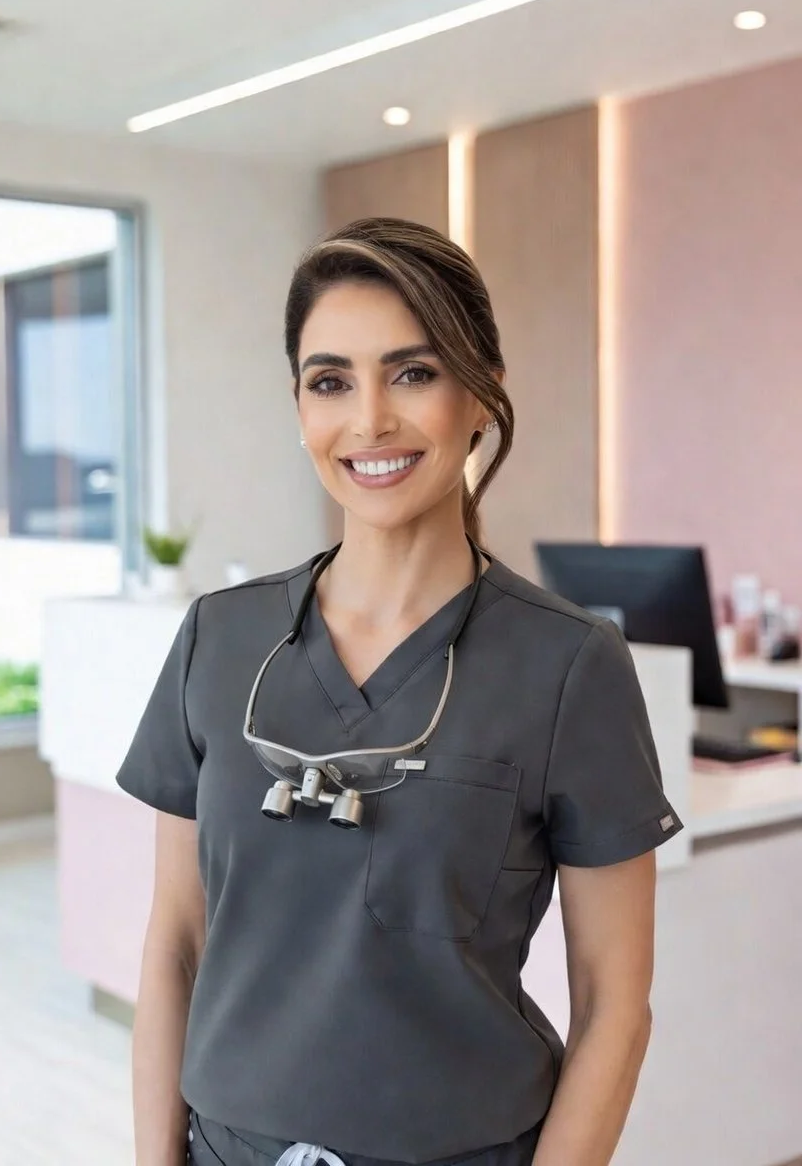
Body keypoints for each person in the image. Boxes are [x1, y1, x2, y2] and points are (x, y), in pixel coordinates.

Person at [116, 217, 683, 1166]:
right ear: (300, 407)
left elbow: (614, 1007)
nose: (370, 420)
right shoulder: (220, 638)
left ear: (482, 393)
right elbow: (175, 942)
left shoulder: (569, 665)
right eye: (331, 380)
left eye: (413, 373)